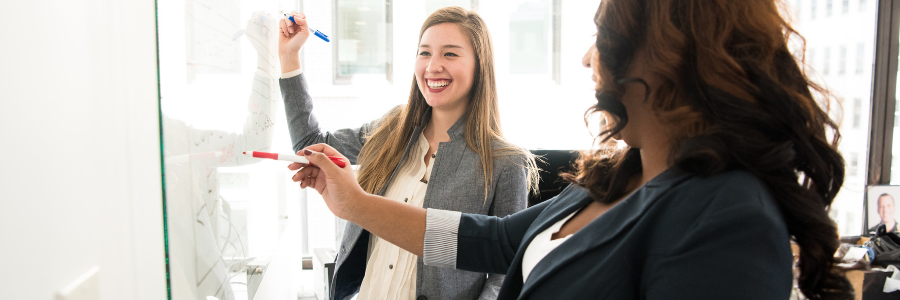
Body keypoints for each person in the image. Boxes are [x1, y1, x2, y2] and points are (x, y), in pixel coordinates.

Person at [289, 0, 855, 299]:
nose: (588, 59)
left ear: (666, 54)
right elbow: (496, 240)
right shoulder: (614, 177)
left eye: (602, 35)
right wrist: (355, 204)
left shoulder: (727, 216)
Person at [278, 7, 538, 300]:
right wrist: (289, 58)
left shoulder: (506, 161)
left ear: (480, 65)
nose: (432, 66)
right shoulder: (393, 129)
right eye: (424, 53)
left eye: (450, 54)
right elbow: (312, 143)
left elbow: (508, 269)